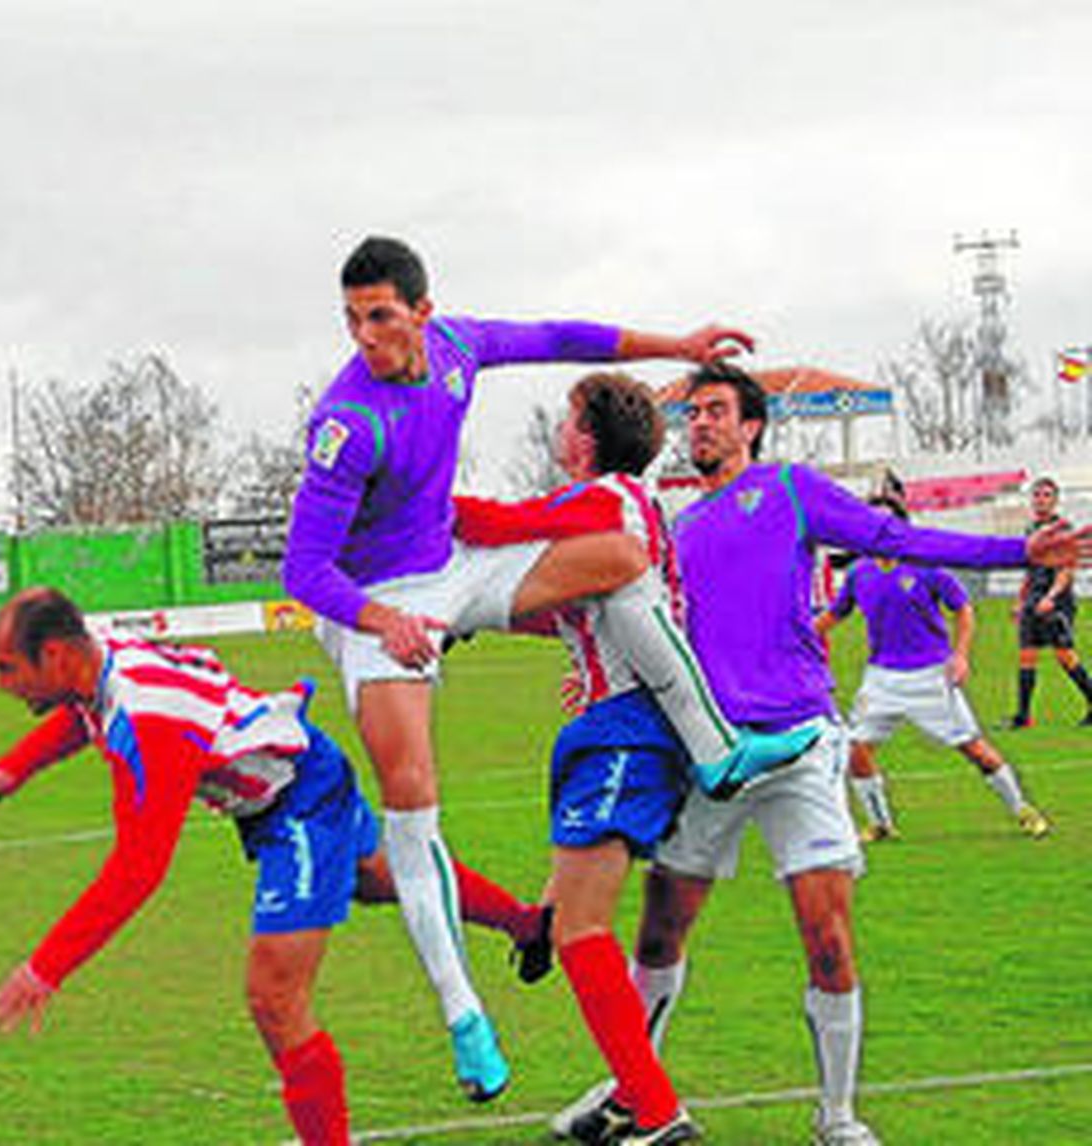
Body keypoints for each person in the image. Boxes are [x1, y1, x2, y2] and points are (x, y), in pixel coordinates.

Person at [284, 235, 814, 1101]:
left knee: (615, 555)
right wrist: (387, 622)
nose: (364, 337)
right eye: (351, 320)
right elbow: (305, 573)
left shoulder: (457, 345)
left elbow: (563, 335)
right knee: (412, 805)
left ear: (421, 311)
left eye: (379, 315)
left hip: (455, 570)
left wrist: (678, 346)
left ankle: (715, 749)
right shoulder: (347, 425)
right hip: (375, 599)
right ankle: (464, 1015)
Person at [549, 362, 1089, 1146]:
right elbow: (648, 633)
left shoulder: (792, 490)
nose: (700, 423)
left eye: (716, 411)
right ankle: (634, 1091)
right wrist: (597, 685)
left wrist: (1018, 549)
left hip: (802, 744)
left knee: (828, 938)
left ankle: (837, 1117)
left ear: (751, 426)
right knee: (660, 933)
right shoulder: (675, 531)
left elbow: (895, 537)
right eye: (692, 413)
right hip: (712, 755)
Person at [0, 587, 550, 1146]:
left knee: (274, 997)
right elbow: (82, 716)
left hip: (299, 798)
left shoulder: (149, 721)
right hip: (293, 774)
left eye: (6, 668)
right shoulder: (99, 660)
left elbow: (138, 869)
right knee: (377, 879)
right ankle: (528, 925)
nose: (1, 685)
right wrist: (15, 768)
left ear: (54, 655)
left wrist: (45, 968)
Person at [451, 372, 702, 1145]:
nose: (560, 432)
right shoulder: (632, 509)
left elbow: (501, 522)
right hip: (619, 725)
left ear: (587, 438)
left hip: (625, 729)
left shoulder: (606, 499)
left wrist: (414, 495)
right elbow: (567, 612)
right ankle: (633, 1090)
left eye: (567, 419)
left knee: (583, 930)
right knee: (563, 920)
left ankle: (657, 1111)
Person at [815, 496, 1051, 842]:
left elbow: (963, 609)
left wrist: (960, 656)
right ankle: (880, 823)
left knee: (975, 750)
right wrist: (792, 637)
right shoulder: (858, 572)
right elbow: (835, 614)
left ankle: (1023, 810)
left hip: (930, 675)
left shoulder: (926, 566)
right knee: (857, 750)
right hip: (881, 678)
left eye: (885, 523)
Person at [1009, 476, 1092, 728]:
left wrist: (1051, 597)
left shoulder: (1063, 529)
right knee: (1026, 654)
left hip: (1057, 601)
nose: (1041, 500)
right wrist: (1020, 599)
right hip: (1033, 599)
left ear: (1055, 501)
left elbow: (1067, 569)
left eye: (1046, 495)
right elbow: (1030, 570)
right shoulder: (1031, 530)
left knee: (1065, 656)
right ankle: (1024, 716)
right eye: (1037, 495)